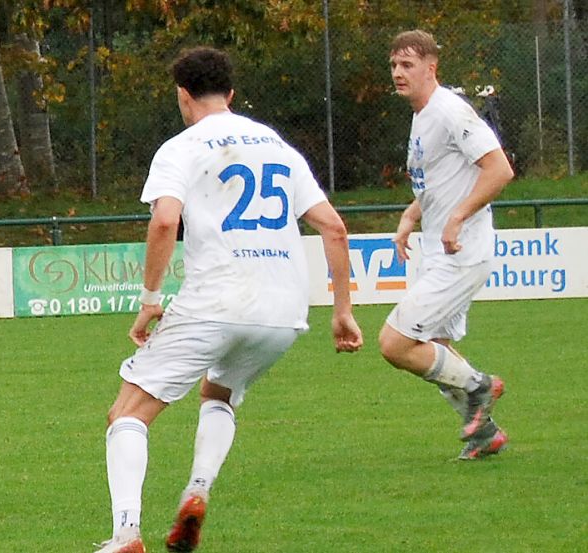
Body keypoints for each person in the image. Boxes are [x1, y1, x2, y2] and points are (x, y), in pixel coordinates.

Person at [94, 47, 363, 553]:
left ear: (182, 94)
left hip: (216, 302)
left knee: (127, 413)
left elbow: (164, 221)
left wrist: (151, 298)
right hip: (283, 315)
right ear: (232, 94)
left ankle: (127, 534)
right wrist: (343, 310)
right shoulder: (280, 146)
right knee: (219, 395)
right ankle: (197, 491)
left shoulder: (181, 147)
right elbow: (334, 227)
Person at [381, 30, 514, 461]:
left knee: (395, 343)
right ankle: (485, 434)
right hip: (443, 251)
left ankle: (480, 386)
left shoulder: (450, 111)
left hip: (462, 252)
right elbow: (438, 182)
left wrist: (457, 217)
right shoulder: (423, 116)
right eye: (395, 65)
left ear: (431, 67)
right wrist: (410, 216)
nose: (398, 73)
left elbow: (499, 169)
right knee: (435, 346)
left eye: (408, 65)